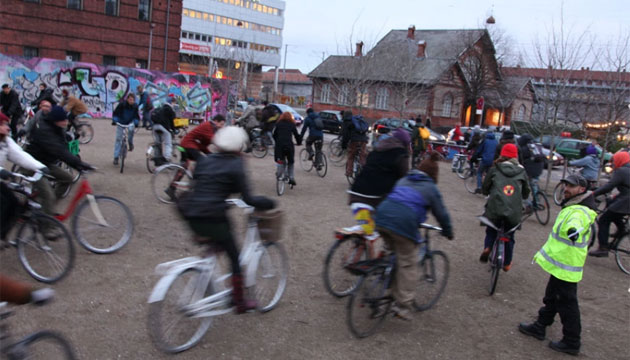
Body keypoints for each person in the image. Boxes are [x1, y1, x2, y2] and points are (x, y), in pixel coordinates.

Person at [176, 126, 275, 314]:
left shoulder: (204, 160)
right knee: (235, 257)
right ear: (239, 145)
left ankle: (209, 260)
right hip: (213, 217)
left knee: (217, 240)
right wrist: (269, 202)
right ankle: (239, 302)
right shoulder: (237, 165)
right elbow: (249, 199)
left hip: (191, 216)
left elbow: (200, 186)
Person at [518, 174, 598, 356]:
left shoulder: (579, 211)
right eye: (566, 185)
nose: (566, 189)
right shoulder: (574, 205)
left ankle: (572, 342)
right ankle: (540, 326)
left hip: (567, 266)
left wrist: (573, 231)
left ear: (582, 189)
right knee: (552, 297)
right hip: (561, 265)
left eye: (571, 186)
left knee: (567, 304)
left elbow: (577, 224)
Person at [374, 151, 453, 320]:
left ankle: (384, 284)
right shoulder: (430, 187)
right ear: (434, 174)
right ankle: (402, 306)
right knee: (409, 263)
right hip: (404, 223)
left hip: (382, 217)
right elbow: (442, 214)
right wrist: (448, 231)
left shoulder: (404, 179)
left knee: (392, 252)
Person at [25, 106, 93, 217]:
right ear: (56, 121)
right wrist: (79, 164)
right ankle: (47, 228)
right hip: (33, 164)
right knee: (48, 195)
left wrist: (78, 162)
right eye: (63, 120)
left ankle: (47, 209)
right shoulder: (45, 130)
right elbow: (59, 150)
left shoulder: (57, 128)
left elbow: (63, 146)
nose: (66, 122)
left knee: (68, 178)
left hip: (45, 163)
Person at [347, 128, 410, 238]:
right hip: (375, 199)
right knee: (378, 230)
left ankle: (359, 247)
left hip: (355, 195)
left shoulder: (377, 149)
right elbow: (404, 180)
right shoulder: (401, 154)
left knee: (367, 229)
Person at [479, 143, 530, 271]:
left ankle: (487, 247)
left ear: (502, 154)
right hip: (513, 211)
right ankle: (507, 263)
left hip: (495, 208)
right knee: (510, 235)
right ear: (515, 156)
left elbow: (485, 186)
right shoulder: (522, 170)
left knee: (491, 229)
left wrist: (486, 192)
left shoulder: (495, 168)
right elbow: (526, 191)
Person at [0, 112, 48, 240]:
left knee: (13, 202)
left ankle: (2, 234)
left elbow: (20, 155)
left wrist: (39, 166)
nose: (8, 127)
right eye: (3, 124)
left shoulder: (5, 141)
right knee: (3, 203)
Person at [588, 151, 630, 257]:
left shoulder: (621, 171)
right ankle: (622, 230)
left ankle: (603, 248)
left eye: (614, 161)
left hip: (626, 201)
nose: (613, 163)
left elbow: (609, 186)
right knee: (615, 214)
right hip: (626, 199)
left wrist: (593, 194)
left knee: (604, 220)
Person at [517, 134, 545, 212]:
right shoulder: (536, 146)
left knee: (523, 187)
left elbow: (520, 161)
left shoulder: (524, 149)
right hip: (539, 169)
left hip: (528, 170)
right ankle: (537, 200)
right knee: (534, 184)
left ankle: (529, 204)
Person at [273, 112, 301, 186]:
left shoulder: (278, 124)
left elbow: (274, 134)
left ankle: (279, 174)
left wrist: (277, 141)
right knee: (291, 162)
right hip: (289, 145)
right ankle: (291, 177)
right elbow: (296, 135)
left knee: (280, 160)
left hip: (280, 145)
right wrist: (299, 142)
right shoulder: (292, 124)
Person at [112, 94, 140, 165]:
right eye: (130, 99)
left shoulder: (135, 106)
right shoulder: (122, 105)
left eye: (133, 100)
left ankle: (130, 143)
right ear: (127, 99)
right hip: (121, 122)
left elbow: (136, 116)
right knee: (118, 139)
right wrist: (115, 120)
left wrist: (136, 122)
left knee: (131, 131)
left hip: (130, 123)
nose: (131, 101)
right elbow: (115, 113)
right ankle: (116, 157)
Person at [341, 110, 369, 177]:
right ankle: (363, 170)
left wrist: (344, 145)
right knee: (362, 156)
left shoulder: (346, 122)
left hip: (354, 141)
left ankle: (349, 173)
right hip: (363, 140)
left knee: (351, 156)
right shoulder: (357, 120)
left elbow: (345, 135)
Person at [151, 95, 177, 165]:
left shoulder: (160, 108)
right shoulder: (170, 109)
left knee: (158, 143)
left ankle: (157, 159)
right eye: (174, 102)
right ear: (172, 102)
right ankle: (167, 158)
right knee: (168, 143)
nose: (174, 104)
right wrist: (174, 130)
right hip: (163, 127)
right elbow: (173, 122)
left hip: (155, 126)